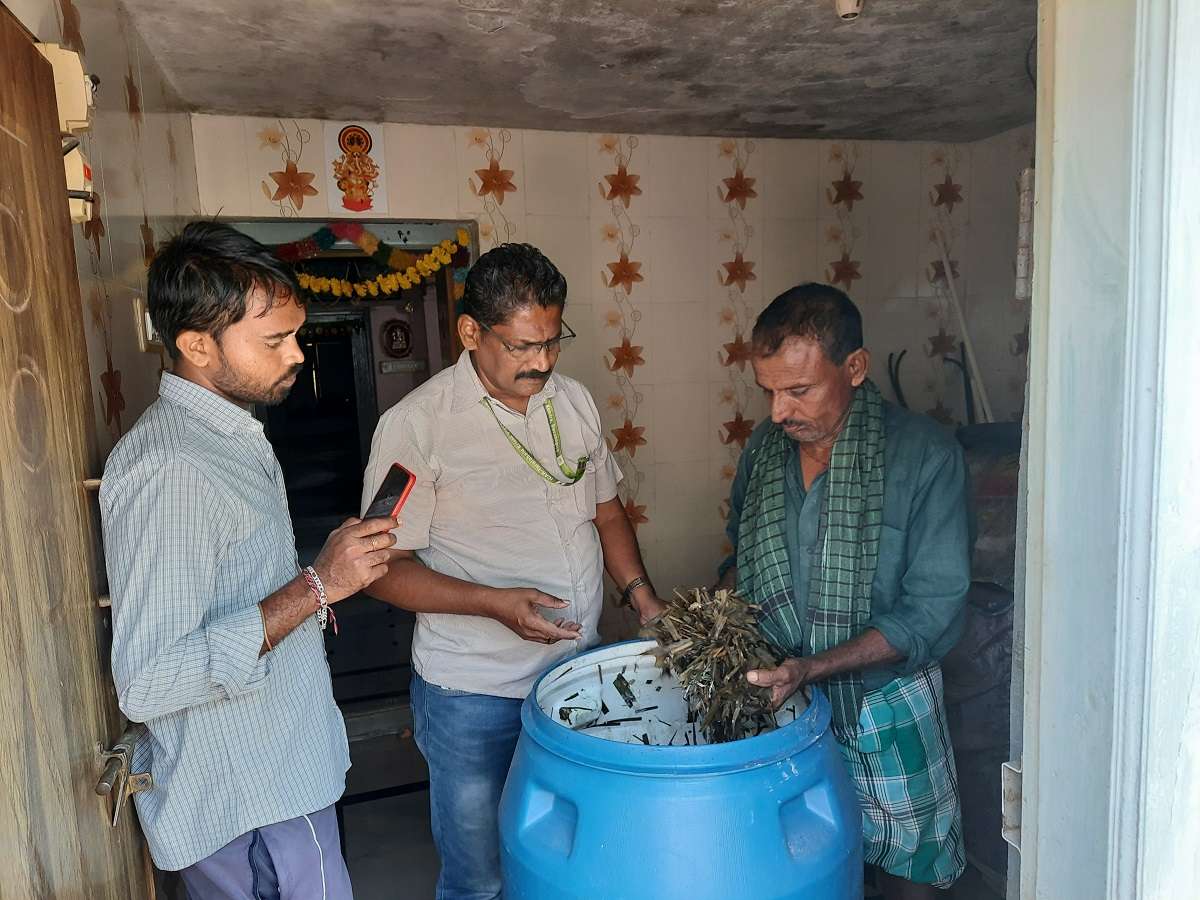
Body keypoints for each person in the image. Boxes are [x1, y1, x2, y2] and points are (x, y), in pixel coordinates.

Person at [102, 221, 399, 899]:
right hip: (254, 800)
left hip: (276, 776)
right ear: (196, 344)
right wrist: (319, 585)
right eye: (275, 341)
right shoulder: (173, 468)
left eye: (295, 334)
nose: (297, 354)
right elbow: (149, 679)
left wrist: (318, 578)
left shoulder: (228, 437)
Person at [363, 242, 664, 900]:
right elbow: (381, 570)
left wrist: (644, 600)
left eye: (553, 342)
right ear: (471, 332)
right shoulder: (417, 426)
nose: (542, 362)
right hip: (474, 693)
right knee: (481, 876)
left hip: (576, 676)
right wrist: (493, 603)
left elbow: (609, 515)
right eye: (524, 346)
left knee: (566, 856)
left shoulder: (575, 402)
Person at [720, 283, 970, 900]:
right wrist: (711, 629)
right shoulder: (763, 451)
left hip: (887, 703)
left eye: (798, 390)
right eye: (770, 391)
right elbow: (739, 557)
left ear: (854, 368)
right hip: (785, 707)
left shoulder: (923, 457)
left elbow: (933, 610)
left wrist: (814, 666)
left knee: (913, 874)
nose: (779, 411)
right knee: (801, 867)